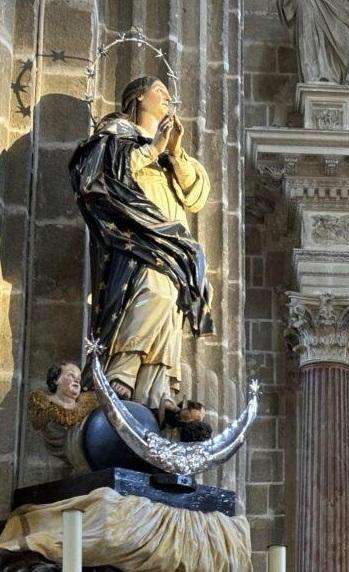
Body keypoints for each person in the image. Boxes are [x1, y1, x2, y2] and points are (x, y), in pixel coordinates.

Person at [70, 77, 213, 424]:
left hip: (171, 241)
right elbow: (100, 178)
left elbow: (197, 195)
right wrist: (152, 149)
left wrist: (174, 152)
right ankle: (120, 373)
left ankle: (155, 391)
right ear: (137, 97)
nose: (167, 97)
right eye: (159, 91)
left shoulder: (173, 152)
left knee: (171, 307)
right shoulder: (116, 135)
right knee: (153, 293)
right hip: (136, 235)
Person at [28, 361, 98, 470]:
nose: (76, 381)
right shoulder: (47, 410)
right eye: (70, 375)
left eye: (79, 378)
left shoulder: (89, 409)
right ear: (56, 380)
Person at [278, 0, 349, 83]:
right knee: (308, 10)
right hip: (309, 6)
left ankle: (331, 76)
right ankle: (314, 74)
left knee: (339, 39)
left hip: (337, 6)